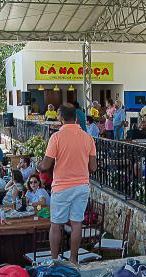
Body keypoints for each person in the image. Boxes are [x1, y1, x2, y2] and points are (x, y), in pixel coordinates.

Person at [38, 104, 97, 264]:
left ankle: (54, 261)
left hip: (62, 187)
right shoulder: (88, 138)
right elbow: (93, 167)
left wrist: (38, 165)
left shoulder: (56, 137)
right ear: (76, 118)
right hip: (82, 186)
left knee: (56, 224)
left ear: (61, 118)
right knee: (77, 224)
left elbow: (46, 165)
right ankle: (73, 260)